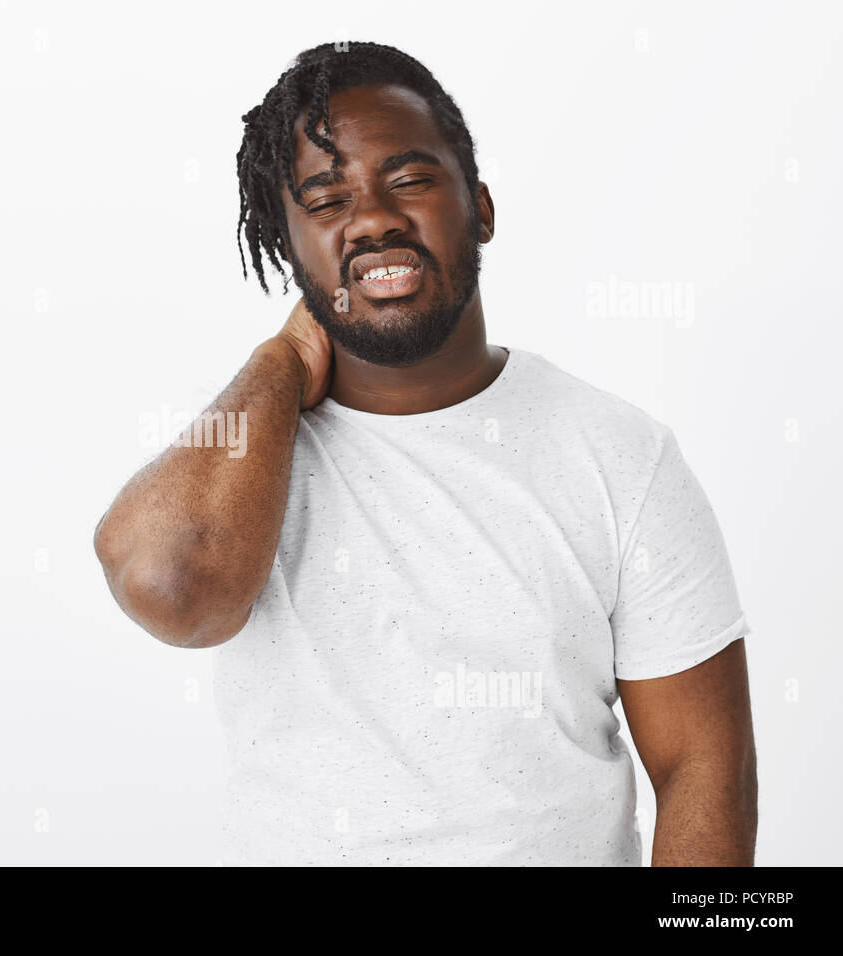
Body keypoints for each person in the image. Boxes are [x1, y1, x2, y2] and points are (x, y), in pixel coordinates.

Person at [93, 41, 756, 866]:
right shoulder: (246, 451)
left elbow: (703, 770)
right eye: (327, 199)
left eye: (409, 181)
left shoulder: (622, 456)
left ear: (480, 208)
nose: (373, 218)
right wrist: (283, 360)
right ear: (287, 247)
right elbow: (173, 591)